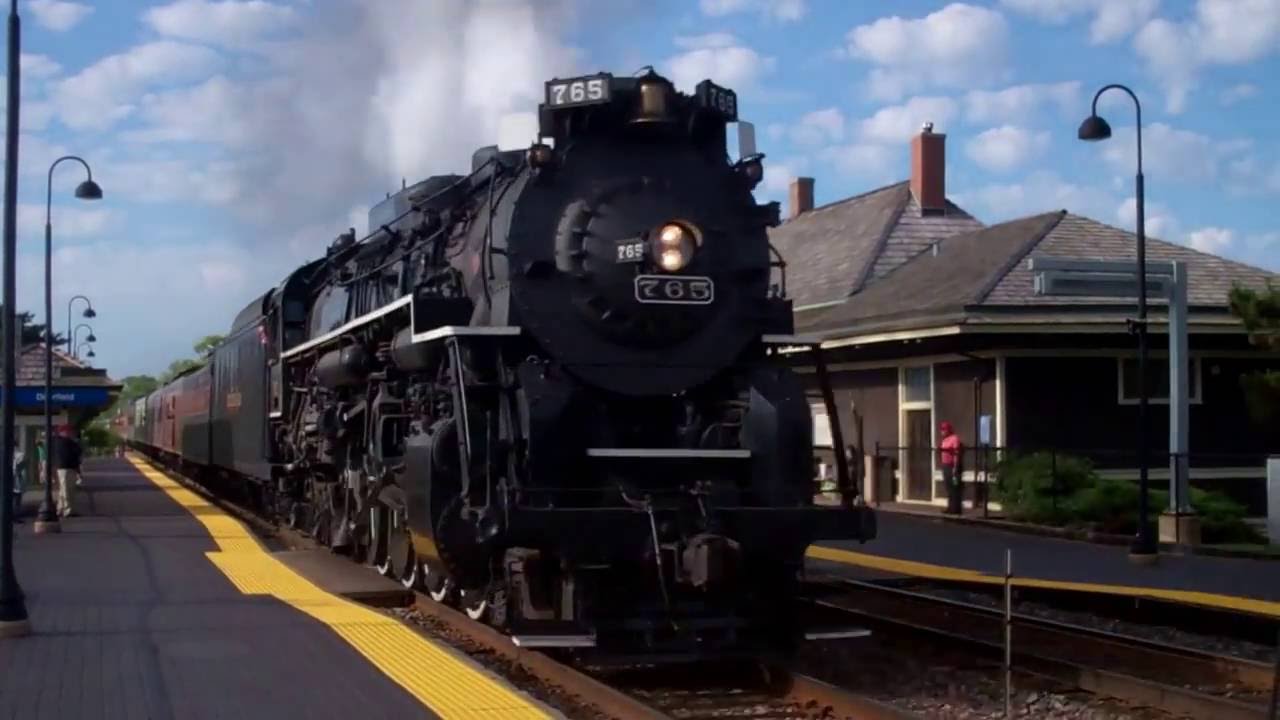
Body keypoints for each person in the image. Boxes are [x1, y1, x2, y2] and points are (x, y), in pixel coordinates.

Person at [52, 424, 82, 518]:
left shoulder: (61, 442)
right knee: (67, 490)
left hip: (66, 468)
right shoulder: (64, 442)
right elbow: (77, 452)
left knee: (64, 490)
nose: (72, 433)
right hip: (66, 468)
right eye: (69, 431)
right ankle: (67, 510)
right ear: (63, 432)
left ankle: (60, 508)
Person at [939, 421, 963, 515]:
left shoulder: (954, 439)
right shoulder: (944, 440)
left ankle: (956, 508)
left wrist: (955, 467)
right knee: (948, 487)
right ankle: (950, 507)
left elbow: (956, 453)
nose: (942, 431)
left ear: (948, 430)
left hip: (953, 466)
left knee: (955, 487)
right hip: (945, 466)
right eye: (941, 429)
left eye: (944, 429)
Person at [11, 440, 23, 522]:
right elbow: (20, 467)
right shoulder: (20, 454)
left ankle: (13, 515)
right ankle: (15, 515)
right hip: (16, 478)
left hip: (11, 478)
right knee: (17, 498)